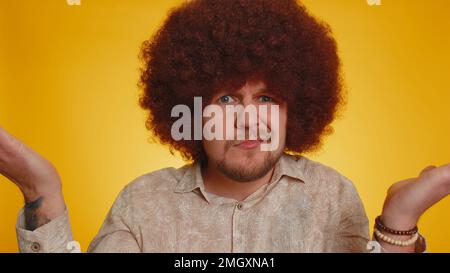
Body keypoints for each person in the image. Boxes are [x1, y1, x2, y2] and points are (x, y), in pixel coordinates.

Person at [1, 0, 449, 253]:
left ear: (297, 109)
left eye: (267, 98)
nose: (248, 118)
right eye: (227, 98)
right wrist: (43, 193)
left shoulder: (331, 197)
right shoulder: (143, 203)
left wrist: (400, 221)